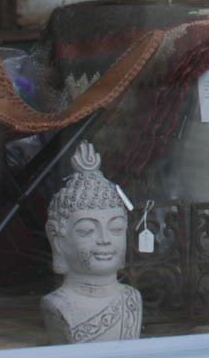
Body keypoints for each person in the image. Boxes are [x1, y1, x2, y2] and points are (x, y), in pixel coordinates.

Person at [41, 141, 144, 344]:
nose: (104, 239)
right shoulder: (58, 305)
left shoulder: (131, 298)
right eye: (87, 230)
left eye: (116, 228)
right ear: (57, 239)